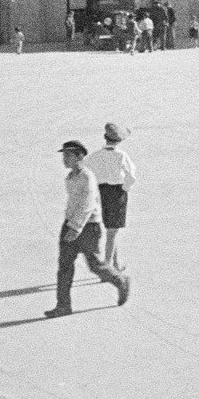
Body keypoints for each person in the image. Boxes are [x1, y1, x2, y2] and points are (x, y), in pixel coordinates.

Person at [49, 140, 130, 317]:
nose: (64, 159)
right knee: (64, 267)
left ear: (80, 156)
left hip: (87, 227)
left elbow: (87, 205)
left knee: (95, 265)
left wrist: (75, 228)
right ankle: (63, 306)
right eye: (64, 155)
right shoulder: (70, 177)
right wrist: (69, 224)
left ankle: (120, 280)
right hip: (71, 223)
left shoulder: (87, 177)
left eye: (68, 155)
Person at [84, 123, 138, 272]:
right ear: (119, 141)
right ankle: (108, 268)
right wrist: (125, 189)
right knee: (113, 231)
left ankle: (114, 263)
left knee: (110, 229)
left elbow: (85, 171)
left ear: (104, 137)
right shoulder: (121, 155)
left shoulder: (95, 156)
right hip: (116, 192)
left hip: (100, 192)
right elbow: (131, 176)